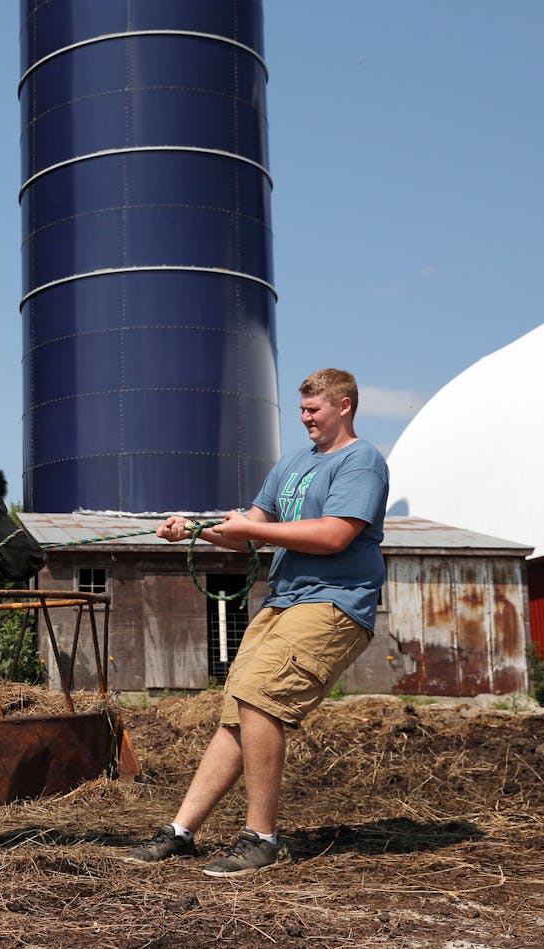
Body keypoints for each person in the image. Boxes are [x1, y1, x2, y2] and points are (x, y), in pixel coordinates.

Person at [126, 367, 390, 878]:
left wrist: (251, 528)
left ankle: (262, 838)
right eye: (302, 409)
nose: (305, 417)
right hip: (282, 600)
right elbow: (250, 532)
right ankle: (181, 832)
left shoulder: (362, 461)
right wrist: (197, 530)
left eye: (314, 408)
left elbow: (336, 534)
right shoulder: (292, 463)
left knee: (258, 697)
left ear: (345, 406)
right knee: (237, 713)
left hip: (332, 602)